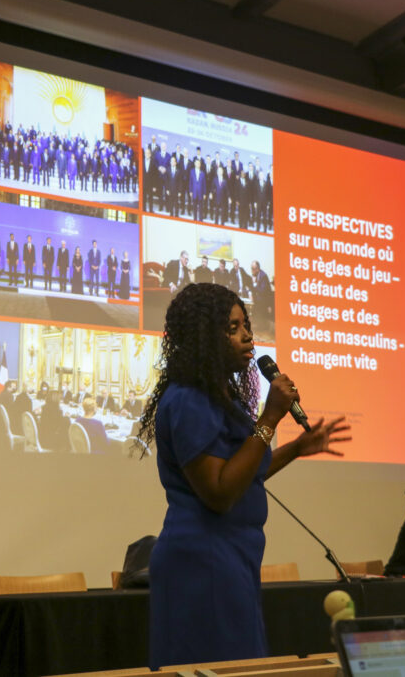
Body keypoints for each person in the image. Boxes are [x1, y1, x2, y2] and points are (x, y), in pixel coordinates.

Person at [139, 283, 350, 669]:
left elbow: (242, 475)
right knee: (224, 669)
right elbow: (219, 492)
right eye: (233, 328)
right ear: (204, 337)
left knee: (243, 668)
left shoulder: (220, 397)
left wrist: (297, 448)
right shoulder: (188, 399)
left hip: (233, 556)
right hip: (203, 560)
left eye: (246, 325)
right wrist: (270, 418)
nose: (248, 336)